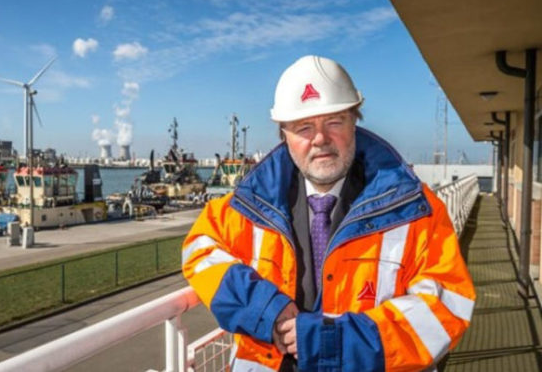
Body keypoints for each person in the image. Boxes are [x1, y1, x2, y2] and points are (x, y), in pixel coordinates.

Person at [182, 55, 475, 372]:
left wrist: (334, 342)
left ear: (355, 122)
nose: (320, 139)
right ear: (285, 136)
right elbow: (200, 250)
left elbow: (446, 307)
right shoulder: (246, 207)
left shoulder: (417, 210)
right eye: (304, 127)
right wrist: (265, 308)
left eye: (334, 122)